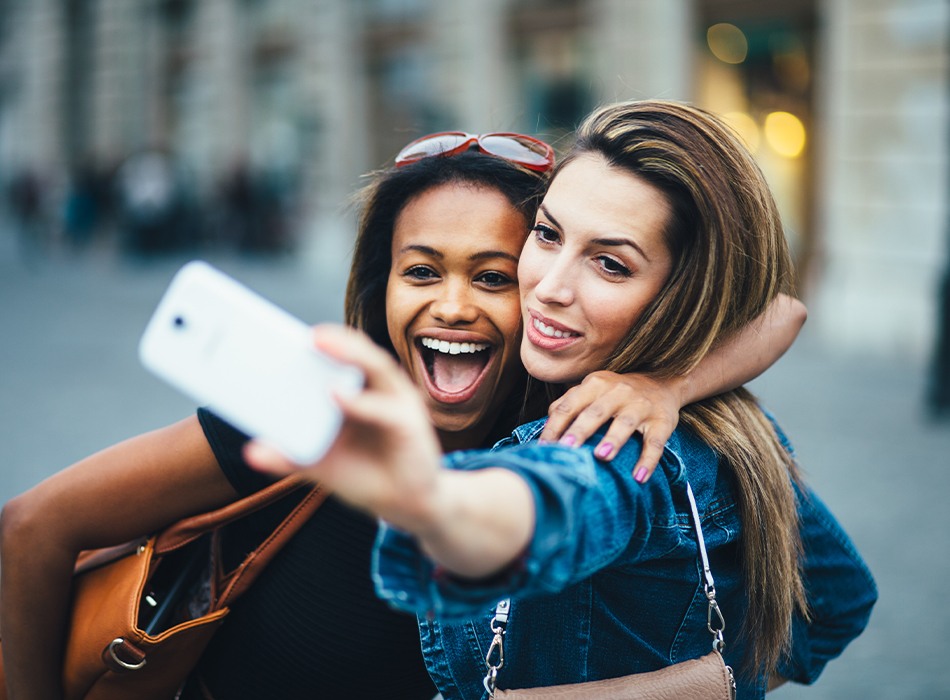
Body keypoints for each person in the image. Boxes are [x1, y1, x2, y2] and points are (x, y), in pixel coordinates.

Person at [0, 135, 802, 699]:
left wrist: (670, 384)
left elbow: (780, 311)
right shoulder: (304, 410)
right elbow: (31, 527)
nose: (451, 307)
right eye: (420, 271)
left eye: (493, 278)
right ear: (379, 287)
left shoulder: (582, 442)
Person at [247, 101, 877, 699]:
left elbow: (558, 502)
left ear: (684, 293)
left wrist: (431, 499)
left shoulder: (620, 441)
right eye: (547, 235)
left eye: (610, 264)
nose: (548, 288)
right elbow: (839, 599)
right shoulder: (732, 422)